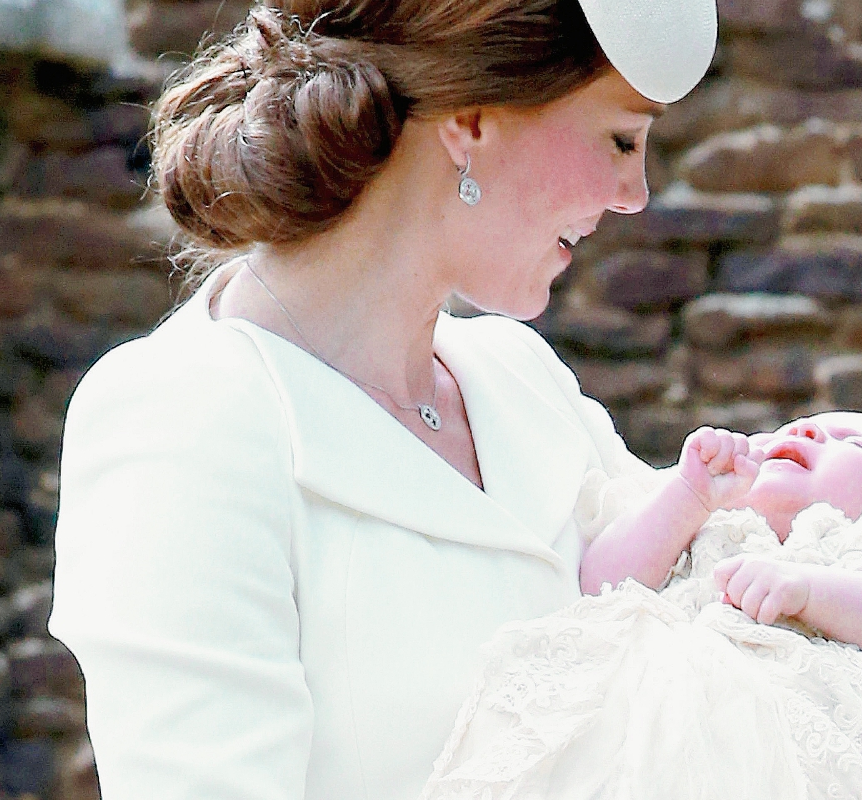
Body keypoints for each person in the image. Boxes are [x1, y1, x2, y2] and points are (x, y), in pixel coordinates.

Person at [46, 1, 719, 798]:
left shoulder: (519, 380)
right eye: (620, 138)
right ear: (472, 118)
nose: (634, 193)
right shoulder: (185, 417)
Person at [420, 412, 862, 799]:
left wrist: (809, 590)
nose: (809, 428)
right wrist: (687, 496)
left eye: (856, 444)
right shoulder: (702, 528)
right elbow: (600, 584)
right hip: (649, 744)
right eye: (794, 426)